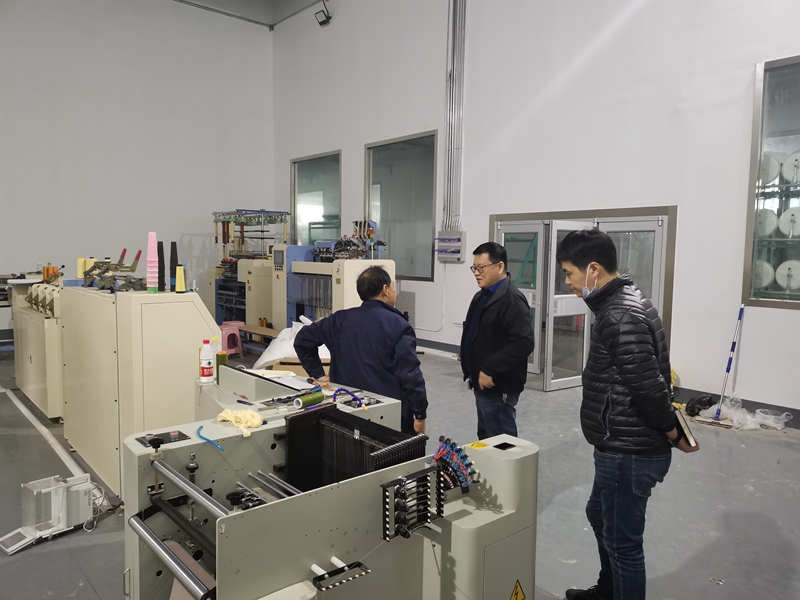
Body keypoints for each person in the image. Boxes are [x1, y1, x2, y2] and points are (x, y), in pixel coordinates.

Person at [556, 229, 699, 600]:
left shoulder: (619, 313)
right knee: (598, 514)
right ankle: (608, 590)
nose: (567, 282)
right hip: (618, 442)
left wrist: (673, 433)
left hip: (629, 450)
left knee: (624, 544)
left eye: (569, 273)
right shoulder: (619, 303)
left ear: (593, 269)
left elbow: (648, 386)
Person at [293, 266, 427, 435]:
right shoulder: (398, 325)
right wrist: (420, 414)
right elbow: (410, 374)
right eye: (393, 287)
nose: (395, 292)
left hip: (346, 408)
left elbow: (303, 339)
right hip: (389, 414)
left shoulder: (339, 320)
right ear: (385, 289)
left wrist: (318, 374)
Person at [460, 242, 535, 439]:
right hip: (481, 384)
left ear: (500, 266)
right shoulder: (481, 296)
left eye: (481, 268)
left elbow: (524, 342)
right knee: (485, 437)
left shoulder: (511, 299)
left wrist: (490, 369)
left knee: (501, 442)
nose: (476, 273)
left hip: (498, 386)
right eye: (474, 268)